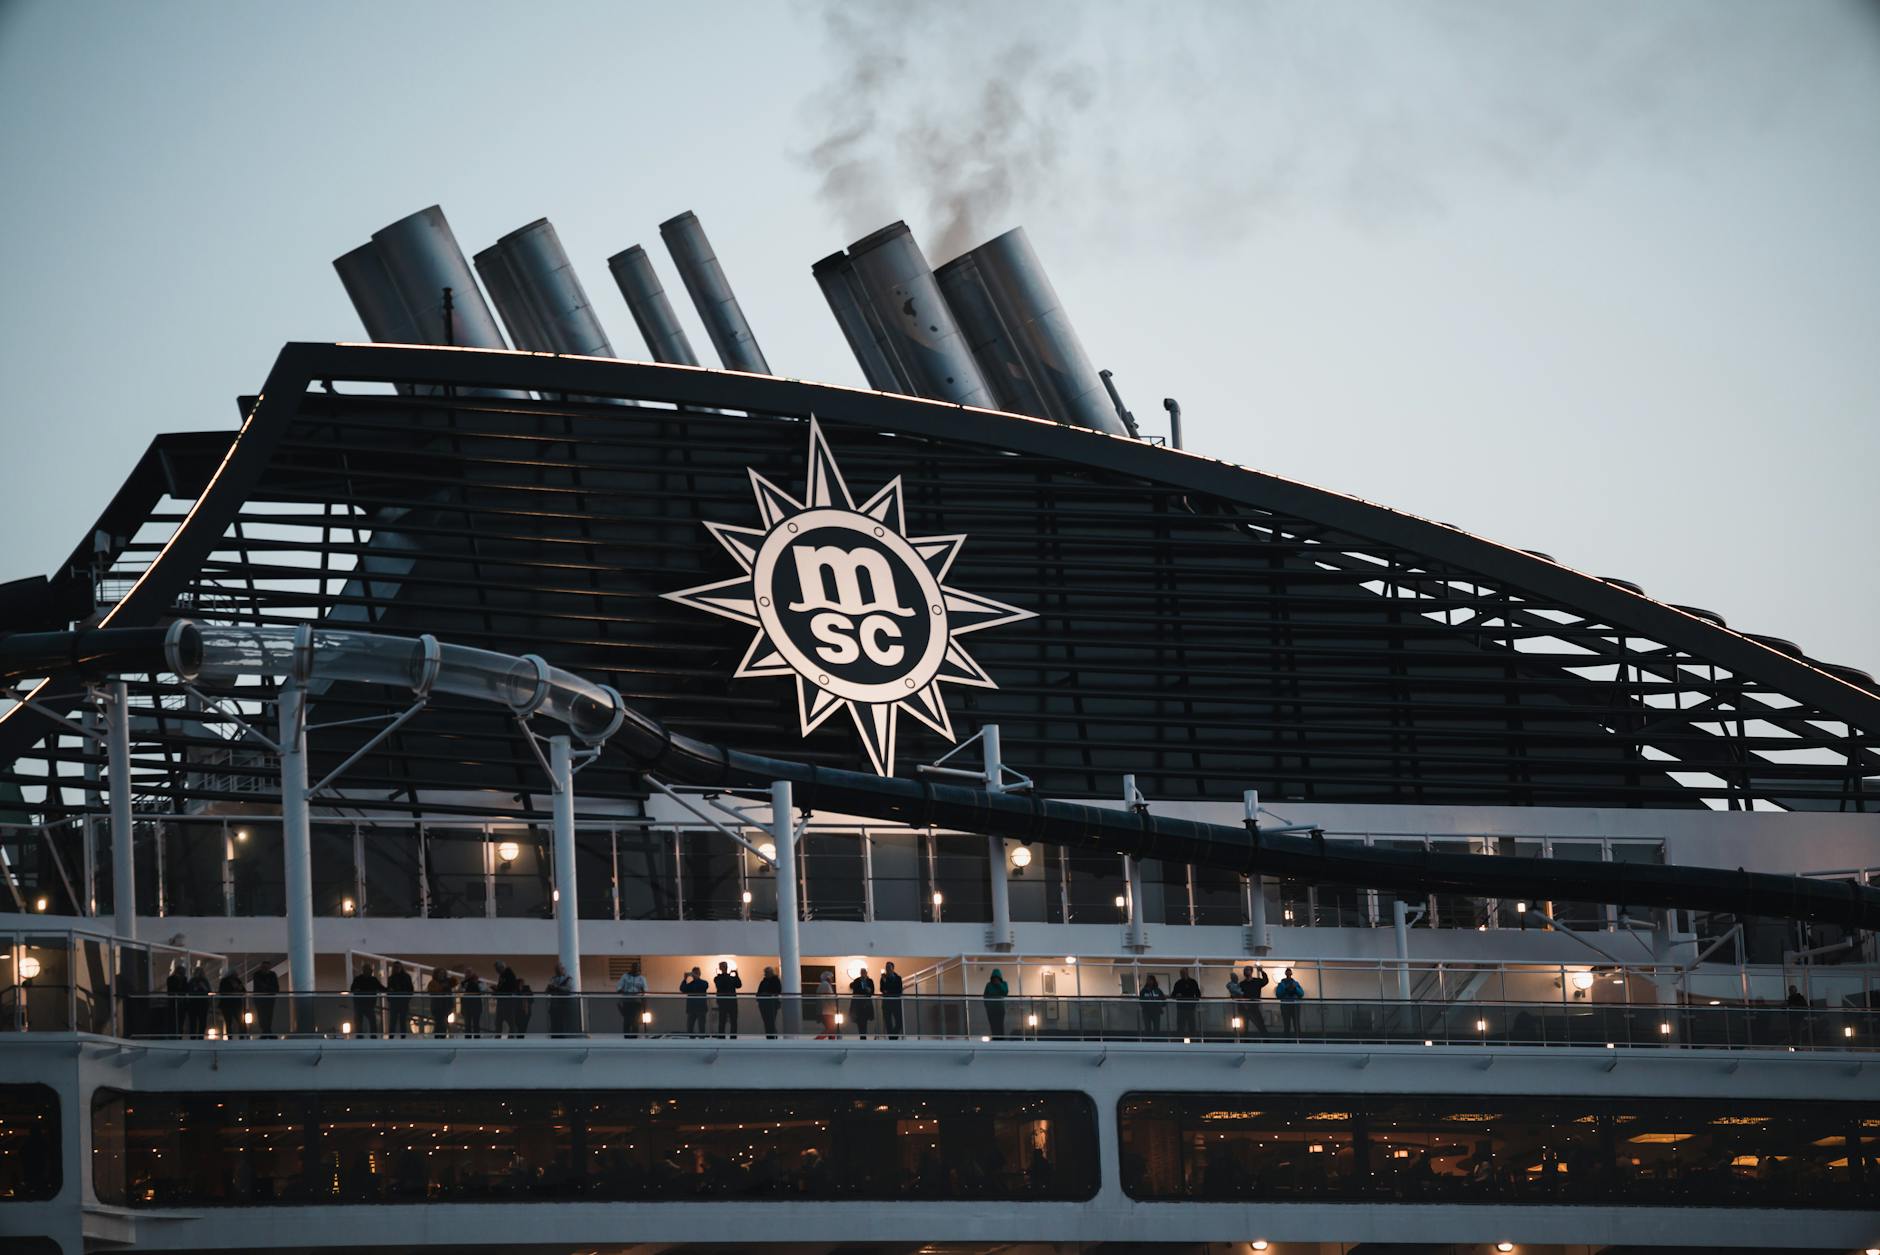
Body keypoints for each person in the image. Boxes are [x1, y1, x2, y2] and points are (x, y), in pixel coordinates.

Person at [349, 961, 384, 1037]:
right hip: (360, 1004)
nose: (370, 972)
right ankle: (360, 1035)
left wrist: (390, 991)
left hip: (369, 1005)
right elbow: (352, 989)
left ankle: (373, 1035)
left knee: (371, 1020)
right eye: (368, 970)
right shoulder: (358, 979)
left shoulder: (373, 980)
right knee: (360, 1020)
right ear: (364, 971)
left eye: (370, 970)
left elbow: (382, 988)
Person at [1237, 964, 1270, 1037]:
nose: (1245, 972)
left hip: (1254, 1007)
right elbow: (1238, 995)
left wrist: (1261, 971)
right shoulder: (1242, 984)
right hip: (1244, 1008)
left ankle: (1267, 1042)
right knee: (1243, 1028)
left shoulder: (1257, 981)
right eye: (1245, 970)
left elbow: (1265, 981)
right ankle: (1245, 1044)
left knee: (1261, 1026)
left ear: (1251, 972)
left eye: (1247, 970)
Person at [615, 962, 646, 1037]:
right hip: (627, 1001)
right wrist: (626, 993)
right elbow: (619, 988)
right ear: (631, 968)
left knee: (636, 1021)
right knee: (627, 1020)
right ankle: (626, 1037)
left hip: (637, 1002)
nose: (636, 969)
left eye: (637, 967)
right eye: (634, 967)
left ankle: (634, 1037)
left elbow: (645, 990)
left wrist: (643, 999)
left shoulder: (642, 978)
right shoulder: (625, 976)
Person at [250, 960, 280, 1037]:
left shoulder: (272, 975)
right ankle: (267, 1031)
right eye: (264, 967)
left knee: (268, 1015)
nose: (266, 969)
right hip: (261, 998)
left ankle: (266, 1031)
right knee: (262, 1015)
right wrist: (269, 988)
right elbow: (261, 986)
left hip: (268, 998)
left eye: (267, 967)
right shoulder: (257, 975)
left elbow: (275, 987)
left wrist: (267, 988)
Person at [713, 961, 742, 1038]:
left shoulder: (720, 978)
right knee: (724, 1020)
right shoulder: (718, 978)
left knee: (731, 1020)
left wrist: (736, 975)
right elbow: (721, 985)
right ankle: (724, 1036)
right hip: (726, 1002)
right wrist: (732, 975)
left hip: (728, 1002)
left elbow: (739, 985)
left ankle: (729, 1036)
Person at [545, 962, 575, 1036]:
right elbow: (546, 991)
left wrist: (557, 987)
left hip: (564, 1004)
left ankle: (564, 1035)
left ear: (563, 969)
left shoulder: (568, 979)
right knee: (554, 1022)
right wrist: (550, 987)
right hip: (554, 1005)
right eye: (556, 969)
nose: (557, 971)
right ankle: (554, 1035)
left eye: (559, 969)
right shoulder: (553, 979)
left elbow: (568, 989)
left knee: (564, 1022)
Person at [217, 965, 247, 1038]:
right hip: (227, 1004)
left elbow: (244, 991)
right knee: (229, 1022)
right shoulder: (224, 981)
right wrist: (234, 991)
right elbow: (223, 992)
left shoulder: (237, 981)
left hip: (236, 1004)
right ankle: (230, 1037)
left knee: (240, 1021)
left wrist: (238, 990)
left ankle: (242, 1036)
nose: (237, 975)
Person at [385, 962, 415, 1038]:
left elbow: (410, 990)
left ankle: (401, 1036)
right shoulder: (392, 978)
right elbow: (389, 990)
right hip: (396, 1002)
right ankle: (393, 1036)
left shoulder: (405, 977)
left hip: (402, 1002)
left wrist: (406, 998)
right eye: (395, 967)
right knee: (393, 1021)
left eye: (398, 967)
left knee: (402, 1020)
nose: (397, 969)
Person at [492, 961, 521, 1037]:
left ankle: (512, 1038)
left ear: (501, 968)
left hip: (508, 1002)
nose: (497, 971)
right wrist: (497, 990)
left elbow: (510, 988)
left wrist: (498, 990)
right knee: (498, 1021)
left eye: (497, 969)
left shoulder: (510, 975)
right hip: (502, 1001)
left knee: (510, 1021)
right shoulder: (502, 976)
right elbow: (501, 987)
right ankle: (499, 1037)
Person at [1171, 968, 1202, 1039]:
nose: (1183, 974)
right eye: (1181, 973)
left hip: (1190, 1008)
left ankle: (1193, 1041)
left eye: (1184, 973)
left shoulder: (1193, 982)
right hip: (1181, 1008)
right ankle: (1180, 1041)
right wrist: (1177, 996)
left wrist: (1193, 1003)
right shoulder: (1178, 983)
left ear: (1187, 973)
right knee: (1181, 1025)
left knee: (1192, 1025)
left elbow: (1198, 995)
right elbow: (1173, 995)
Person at [680, 966, 710, 1037]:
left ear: (700, 974)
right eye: (694, 973)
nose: (695, 974)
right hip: (691, 1009)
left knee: (701, 1027)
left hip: (701, 1008)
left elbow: (704, 986)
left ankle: (702, 1042)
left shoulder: (704, 983)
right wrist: (685, 979)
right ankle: (691, 1041)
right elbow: (682, 989)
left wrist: (696, 978)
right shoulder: (690, 984)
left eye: (697, 973)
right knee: (690, 1027)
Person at [425, 968, 455, 1036]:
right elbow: (432, 992)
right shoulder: (433, 983)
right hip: (437, 1006)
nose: (441, 975)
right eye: (440, 973)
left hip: (446, 1006)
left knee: (443, 1023)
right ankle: (438, 1037)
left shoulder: (447, 983)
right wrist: (442, 987)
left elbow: (454, 984)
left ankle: (442, 1037)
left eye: (443, 973)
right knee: (439, 1023)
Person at [848, 967, 876, 1040]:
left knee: (864, 1020)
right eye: (862, 972)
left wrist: (869, 990)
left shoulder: (870, 981)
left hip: (866, 1004)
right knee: (860, 1021)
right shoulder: (857, 980)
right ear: (860, 973)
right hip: (858, 1004)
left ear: (866, 973)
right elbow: (855, 991)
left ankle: (863, 1036)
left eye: (864, 972)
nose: (863, 974)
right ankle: (862, 1036)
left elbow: (872, 991)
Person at [187, 962, 213, 1039]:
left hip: (203, 1003)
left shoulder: (205, 981)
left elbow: (208, 990)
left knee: (202, 1021)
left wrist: (203, 987)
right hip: (193, 1003)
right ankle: (193, 1037)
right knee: (193, 1021)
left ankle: (200, 1036)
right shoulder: (192, 981)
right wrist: (194, 989)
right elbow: (188, 990)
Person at [1276, 967, 1305, 1035]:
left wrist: (1295, 988)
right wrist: (1285, 989)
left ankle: (1298, 1040)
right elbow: (1278, 995)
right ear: (1285, 973)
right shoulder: (1281, 984)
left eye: (1289, 971)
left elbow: (1301, 993)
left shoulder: (1296, 983)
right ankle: (1287, 1041)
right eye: (1287, 971)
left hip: (1295, 1006)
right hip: (1285, 1006)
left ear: (1291, 973)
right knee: (1286, 1024)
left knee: (1296, 1023)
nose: (1288, 972)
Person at [879, 961, 904, 1039]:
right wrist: (885, 982)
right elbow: (882, 989)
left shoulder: (898, 978)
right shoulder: (883, 978)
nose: (887, 969)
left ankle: (894, 1036)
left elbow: (899, 990)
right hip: (886, 1004)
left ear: (893, 968)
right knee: (888, 1022)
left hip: (896, 1003)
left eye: (889, 967)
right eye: (886, 968)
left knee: (899, 1022)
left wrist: (888, 989)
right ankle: (891, 1038)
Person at [756, 966, 782, 1038]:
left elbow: (777, 990)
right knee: (766, 1021)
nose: (765, 974)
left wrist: (767, 993)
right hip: (763, 1004)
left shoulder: (776, 980)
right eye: (765, 973)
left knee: (771, 1021)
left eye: (766, 973)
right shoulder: (763, 981)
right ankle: (769, 1036)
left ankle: (772, 1036)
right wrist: (759, 997)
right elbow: (759, 992)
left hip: (771, 1003)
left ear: (770, 973)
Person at [1138, 973, 1167, 1038]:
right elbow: (1140, 1000)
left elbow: (1164, 1000)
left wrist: (1159, 1006)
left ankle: (1156, 1041)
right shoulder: (1143, 991)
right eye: (1148, 980)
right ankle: (1148, 1042)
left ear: (1153, 981)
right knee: (1147, 1027)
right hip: (1146, 1012)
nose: (1149, 982)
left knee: (1156, 1028)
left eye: (1150, 980)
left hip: (1156, 1012)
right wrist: (1144, 1007)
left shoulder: (1158, 991)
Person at [983, 968, 1009, 1039]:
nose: (995, 979)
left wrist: (999, 985)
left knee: (1000, 1024)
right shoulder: (988, 985)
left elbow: (1005, 992)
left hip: (1000, 1008)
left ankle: (1001, 1038)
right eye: (994, 978)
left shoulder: (1004, 983)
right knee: (992, 1024)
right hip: (991, 1009)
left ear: (1000, 978)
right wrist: (987, 1006)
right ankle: (994, 1037)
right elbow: (985, 996)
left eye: (997, 978)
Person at [459, 967, 485, 1038]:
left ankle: (476, 1038)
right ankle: (468, 1038)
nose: (468, 975)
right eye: (467, 973)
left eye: (469, 973)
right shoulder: (463, 983)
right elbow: (460, 992)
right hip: (467, 1005)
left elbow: (483, 991)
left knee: (476, 1023)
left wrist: (475, 983)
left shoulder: (479, 983)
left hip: (475, 1005)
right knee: (467, 1024)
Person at [165, 959, 188, 1037]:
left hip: (181, 1002)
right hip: (173, 1001)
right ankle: (173, 1034)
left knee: (181, 1019)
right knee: (173, 1019)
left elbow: (185, 989)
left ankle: (179, 1034)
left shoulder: (184, 979)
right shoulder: (171, 979)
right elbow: (172, 989)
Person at [814, 970, 837, 1038]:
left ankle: (832, 1044)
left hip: (826, 1010)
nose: (832, 979)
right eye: (831, 978)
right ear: (828, 978)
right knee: (830, 1028)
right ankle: (816, 1041)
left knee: (832, 1029)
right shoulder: (825, 984)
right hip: (827, 1011)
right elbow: (829, 997)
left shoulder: (823, 985)